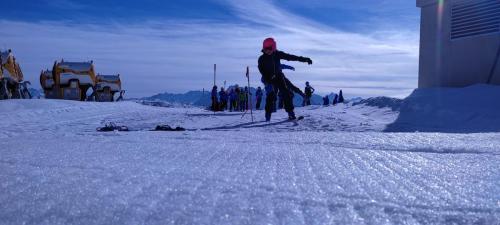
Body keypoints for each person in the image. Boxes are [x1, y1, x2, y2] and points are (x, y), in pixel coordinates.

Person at [258, 37, 312, 121]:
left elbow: (290, 57)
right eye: (265, 49)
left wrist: (304, 59)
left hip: (279, 77)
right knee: (271, 96)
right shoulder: (261, 59)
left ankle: (291, 114)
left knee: (286, 93)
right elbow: (262, 70)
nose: (267, 50)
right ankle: (267, 116)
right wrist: (268, 78)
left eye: (269, 48)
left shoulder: (277, 54)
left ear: (274, 47)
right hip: (268, 78)